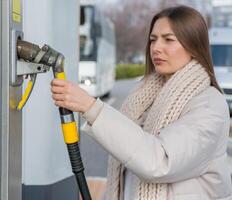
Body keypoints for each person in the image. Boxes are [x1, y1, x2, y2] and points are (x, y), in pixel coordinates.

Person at [51, 5, 232, 200]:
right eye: (153, 40)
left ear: (194, 47)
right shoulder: (145, 94)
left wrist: (91, 107)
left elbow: (159, 161)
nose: (156, 48)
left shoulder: (209, 104)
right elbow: (128, 164)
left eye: (168, 40)